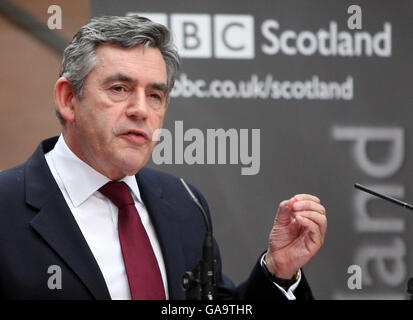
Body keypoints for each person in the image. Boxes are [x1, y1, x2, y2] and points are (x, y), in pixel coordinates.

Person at [0, 15, 327, 300]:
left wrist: (276, 271)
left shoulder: (184, 202)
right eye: (119, 89)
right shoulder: (6, 206)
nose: (141, 110)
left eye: (155, 95)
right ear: (68, 99)